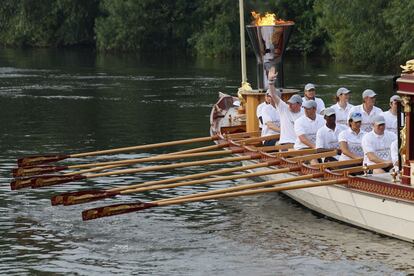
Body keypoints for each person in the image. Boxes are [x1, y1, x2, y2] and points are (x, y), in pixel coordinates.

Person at [268, 71, 303, 146]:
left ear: (299, 105)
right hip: (286, 143)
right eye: (289, 103)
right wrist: (271, 82)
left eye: (292, 104)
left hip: (300, 144)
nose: (289, 105)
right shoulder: (284, 109)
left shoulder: (304, 113)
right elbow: (273, 95)